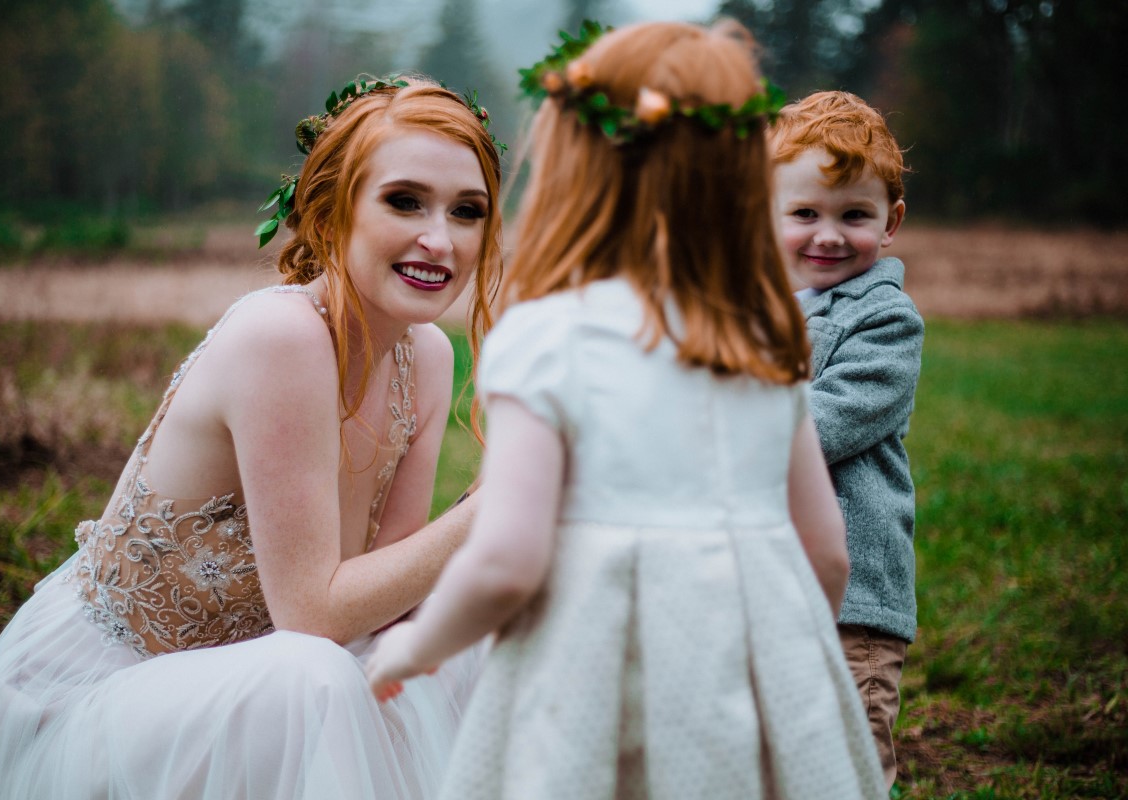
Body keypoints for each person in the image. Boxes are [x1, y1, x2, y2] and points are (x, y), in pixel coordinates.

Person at [0, 75, 504, 799]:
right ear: (332, 210)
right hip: (94, 703)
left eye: (467, 211)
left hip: (263, 679)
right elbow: (317, 617)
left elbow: (384, 604)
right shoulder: (282, 337)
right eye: (404, 200)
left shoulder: (427, 357)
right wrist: (484, 513)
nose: (439, 238)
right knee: (312, 674)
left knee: (481, 639)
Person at [366, 21, 886, 799]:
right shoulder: (759, 335)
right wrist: (786, 654)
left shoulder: (548, 337)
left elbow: (508, 558)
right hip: (755, 686)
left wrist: (421, 647)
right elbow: (826, 553)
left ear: (576, 172)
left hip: (591, 693)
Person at [769, 89, 923, 791]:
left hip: (853, 606)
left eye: (853, 215)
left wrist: (720, 409)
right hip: (774, 587)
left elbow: (822, 423)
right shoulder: (771, 310)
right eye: (805, 214)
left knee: (847, 755)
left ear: (889, 222)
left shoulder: (888, 321)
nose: (828, 235)